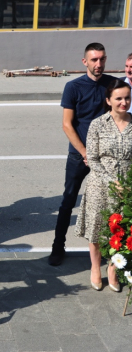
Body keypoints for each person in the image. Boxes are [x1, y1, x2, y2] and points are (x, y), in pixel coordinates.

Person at [48, 43, 116, 266]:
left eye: (102, 59)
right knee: (68, 201)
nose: (99, 64)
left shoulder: (113, 85)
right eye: (94, 60)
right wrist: (85, 152)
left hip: (106, 156)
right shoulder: (73, 86)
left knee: (110, 203)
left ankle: (111, 250)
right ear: (84, 62)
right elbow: (67, 125)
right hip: (79, 155)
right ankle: (58, 247)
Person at [74, 80, 131, 292]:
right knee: (97, 229)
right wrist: (111, 181)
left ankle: (113, 270)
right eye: (118, 98)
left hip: (127, 187)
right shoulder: (98, 124)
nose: (123, 102)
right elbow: (93, 159)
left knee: (120, 231)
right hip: (101, 185)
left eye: (127, 98)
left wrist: (127, 184)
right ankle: (95, 269)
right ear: (108, 101)